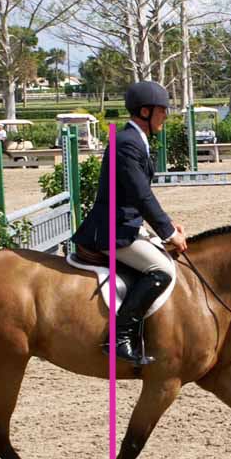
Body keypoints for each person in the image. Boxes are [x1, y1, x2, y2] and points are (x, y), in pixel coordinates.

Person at [72, 80, 187, 366]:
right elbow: (140, 194)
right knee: (161, 270)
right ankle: (118, 338)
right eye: (162, 110)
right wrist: (168, 232)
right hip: (112, 230)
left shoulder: (136, 140)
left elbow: (138, 197)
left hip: (126, 223)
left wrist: (168, 225)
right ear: (145, 111)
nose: (165, 116)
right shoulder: (127, 143)